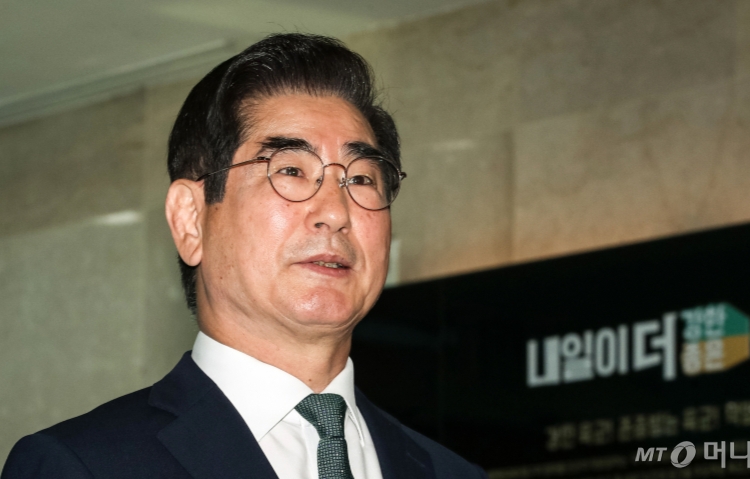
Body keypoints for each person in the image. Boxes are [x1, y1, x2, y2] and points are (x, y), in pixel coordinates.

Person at [1, 33, 487, 479]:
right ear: (191, 220)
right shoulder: (82, 466)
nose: (335, 212)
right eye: (291, 170)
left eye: (360, 179)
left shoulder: (454, 475)